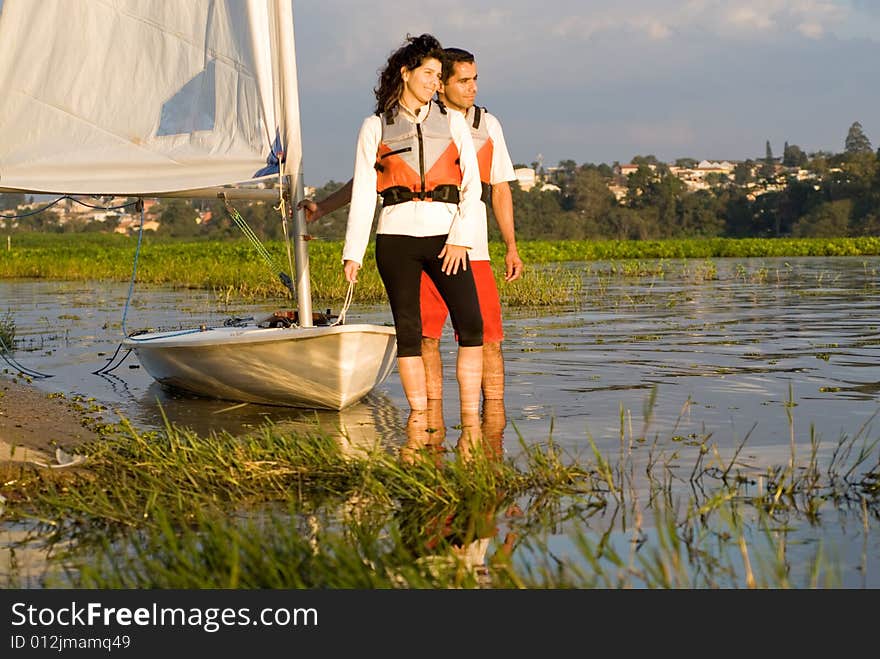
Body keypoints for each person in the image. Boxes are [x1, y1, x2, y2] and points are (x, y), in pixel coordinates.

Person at [301, 47, 523, 409]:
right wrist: (339, 233)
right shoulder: (385, 125)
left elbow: (485, 189)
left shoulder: (471, 123)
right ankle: (424, 420)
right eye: (438, 76)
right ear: (418, 77)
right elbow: (368, 185)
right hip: (403, 239)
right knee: (417, 336)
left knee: (479, 331)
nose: (470, 88)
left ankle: (481, 421)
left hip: (460, 242)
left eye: (473, 80)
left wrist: (486, 244)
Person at [341, 33, 485, 432]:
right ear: (405, 74)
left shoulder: (454, 122)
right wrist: (352, 252)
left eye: (439, 76)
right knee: (409, 330)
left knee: (471, 325)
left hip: (446, 238)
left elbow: (472, 188)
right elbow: (365, 194)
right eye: (429, 73)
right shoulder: (375, 126)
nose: (435, 82)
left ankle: (471, 422)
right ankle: (420, 420)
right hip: (395, 239)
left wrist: (459, 238)